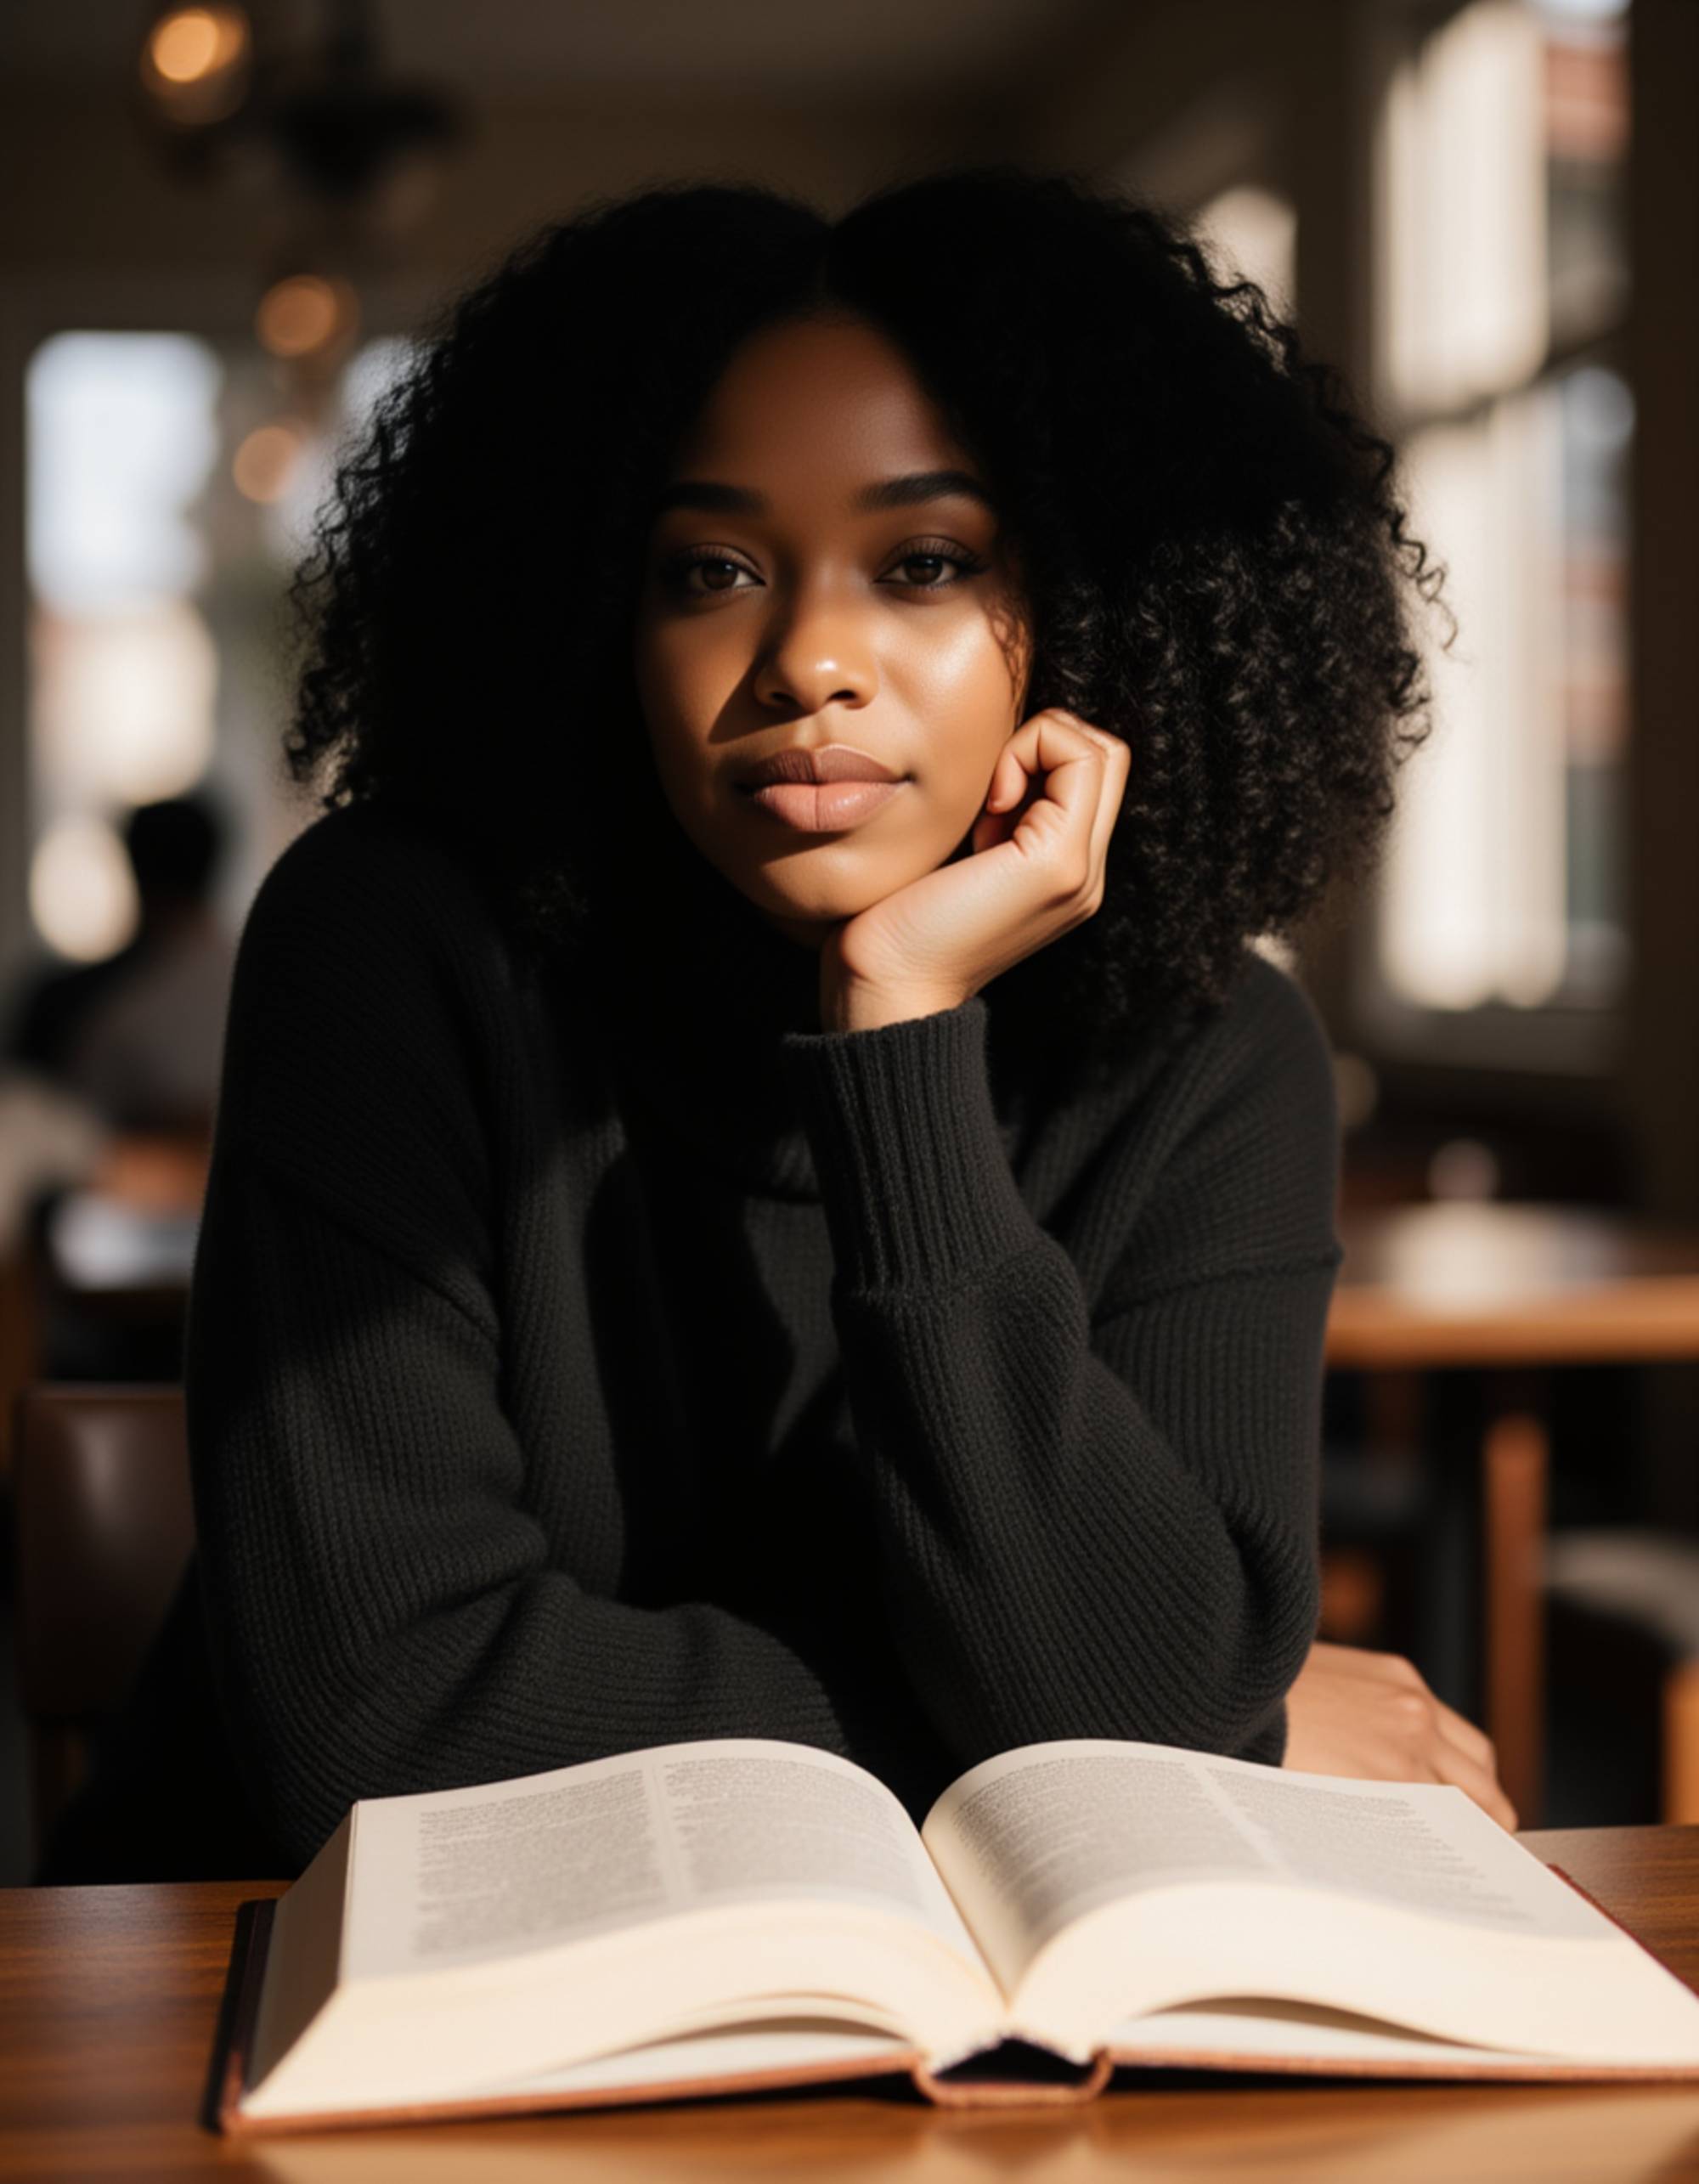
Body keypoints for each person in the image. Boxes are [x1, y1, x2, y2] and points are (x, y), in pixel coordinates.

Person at [37, 166, 1510, 1886]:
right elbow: (378, 1720)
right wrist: (1143, 1727)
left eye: (926, 560)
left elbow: (1140, 1693)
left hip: (923, 2037)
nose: (813, 656)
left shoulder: (1205, 1051)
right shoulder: (392, 949)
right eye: (712, 566)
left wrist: (900, 1043)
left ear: (1091, 617)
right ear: (595, 615)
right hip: (290, 1997)